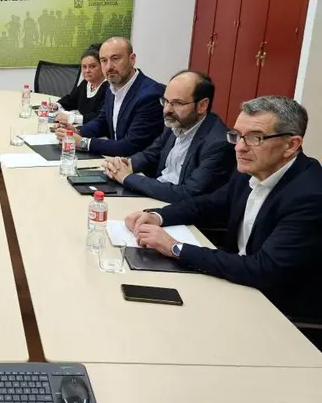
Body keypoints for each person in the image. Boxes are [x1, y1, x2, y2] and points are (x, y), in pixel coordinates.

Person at [125, 96, 322, 347]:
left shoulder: (310, 196)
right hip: (235, 284)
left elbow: (263, 270)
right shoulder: (254, 168)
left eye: (255, 137)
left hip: (276, 313)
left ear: (291, 145)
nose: (239, 147)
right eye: (237, 135)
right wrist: (157, 215)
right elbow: (207, 205)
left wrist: (175, 247)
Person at [102, 71, 234, 202]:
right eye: (165, 101)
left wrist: (127, 178)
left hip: (183, 213)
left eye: (177, 103)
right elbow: (151, 155)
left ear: (202, 105)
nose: (167, 110)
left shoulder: (218, 144)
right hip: (158, 197)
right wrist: (125, 164)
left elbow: (187, 193)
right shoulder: (177, 123)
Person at [56, 36, 164, 156]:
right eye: (104, 60)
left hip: (139, 168)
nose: (109, 67)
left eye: (115, 59)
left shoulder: (149, 95)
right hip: (115, 160)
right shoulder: (112, 87)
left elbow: (131, 145)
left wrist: (84, 142)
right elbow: (103, 121)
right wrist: (77, 131)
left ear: (132, 59)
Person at [50, 47, 108, 125]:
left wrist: (72, 118)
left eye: (93, 66)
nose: (87, 71)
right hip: (82, 127)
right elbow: (71, 99)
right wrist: (57, 105)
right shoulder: (85, 83)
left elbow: (100, 117)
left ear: (102, 67)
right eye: (84, 67)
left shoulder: (109, 88)